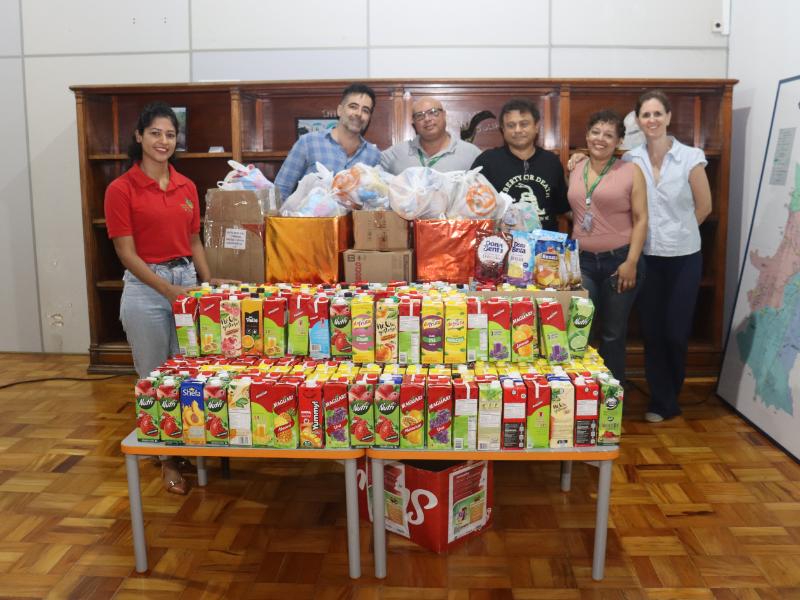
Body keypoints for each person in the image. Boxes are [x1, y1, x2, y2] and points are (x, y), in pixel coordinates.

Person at [105, 102, 217, 495]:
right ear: (139, 136)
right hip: (146, 287)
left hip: (185, 278)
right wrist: (167, 290)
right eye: (155, 132)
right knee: (154, 378)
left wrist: (208, 282)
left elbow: (193, 240)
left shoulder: (186, 187)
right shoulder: (121, 189)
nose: (163, 141)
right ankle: (166, 458)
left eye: (170, 134)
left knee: (188, 373)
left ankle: (186, 443)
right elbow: (125, 253)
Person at [626, 90, 712, 423]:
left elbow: (704, 207)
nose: (652, 120)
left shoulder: (691, 157)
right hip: (647, 256)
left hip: (684, 257)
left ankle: (671, 391)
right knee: (652, 331)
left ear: (669, 117)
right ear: (638, 120)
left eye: (657, 114)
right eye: (646, 115)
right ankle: (661, 401)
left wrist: (679, 231)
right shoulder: (631, 159)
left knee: (675, 331)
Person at [567, 110, 648, 383]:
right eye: (596, 132)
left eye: (609, 135)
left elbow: (641, 218)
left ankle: (612, 398)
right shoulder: (576, 167)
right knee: (581, 328)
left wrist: (632, 262)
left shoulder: (631, 171)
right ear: (587, 135)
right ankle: (583, 393)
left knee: (613, 333)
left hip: (620, 261)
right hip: (583, 263)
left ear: (619, 142)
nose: (600, 139)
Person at [471, 98, 569, 231]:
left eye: (524, 124)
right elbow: (473, 207)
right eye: (511, 125)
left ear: (536, 127)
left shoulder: (552, 162)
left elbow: (562, 207)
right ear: (503, 130)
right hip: (502, 245)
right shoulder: (486, 161)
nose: (517, 130)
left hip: (544, 247)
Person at [274, 83, 381, 199]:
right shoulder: (308, 143)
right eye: (353, 107)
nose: (359, 114)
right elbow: (280, 190)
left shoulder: (373, 155)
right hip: (310, 216)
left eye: (365, 110)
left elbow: (375, 200)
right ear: (340, 110)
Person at [380, 96, 481, 174]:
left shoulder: (471, 153)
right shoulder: (396, 153)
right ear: (414, 123)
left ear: (444, 115)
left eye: (433, 112)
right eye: (420, 115)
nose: (427, 119)